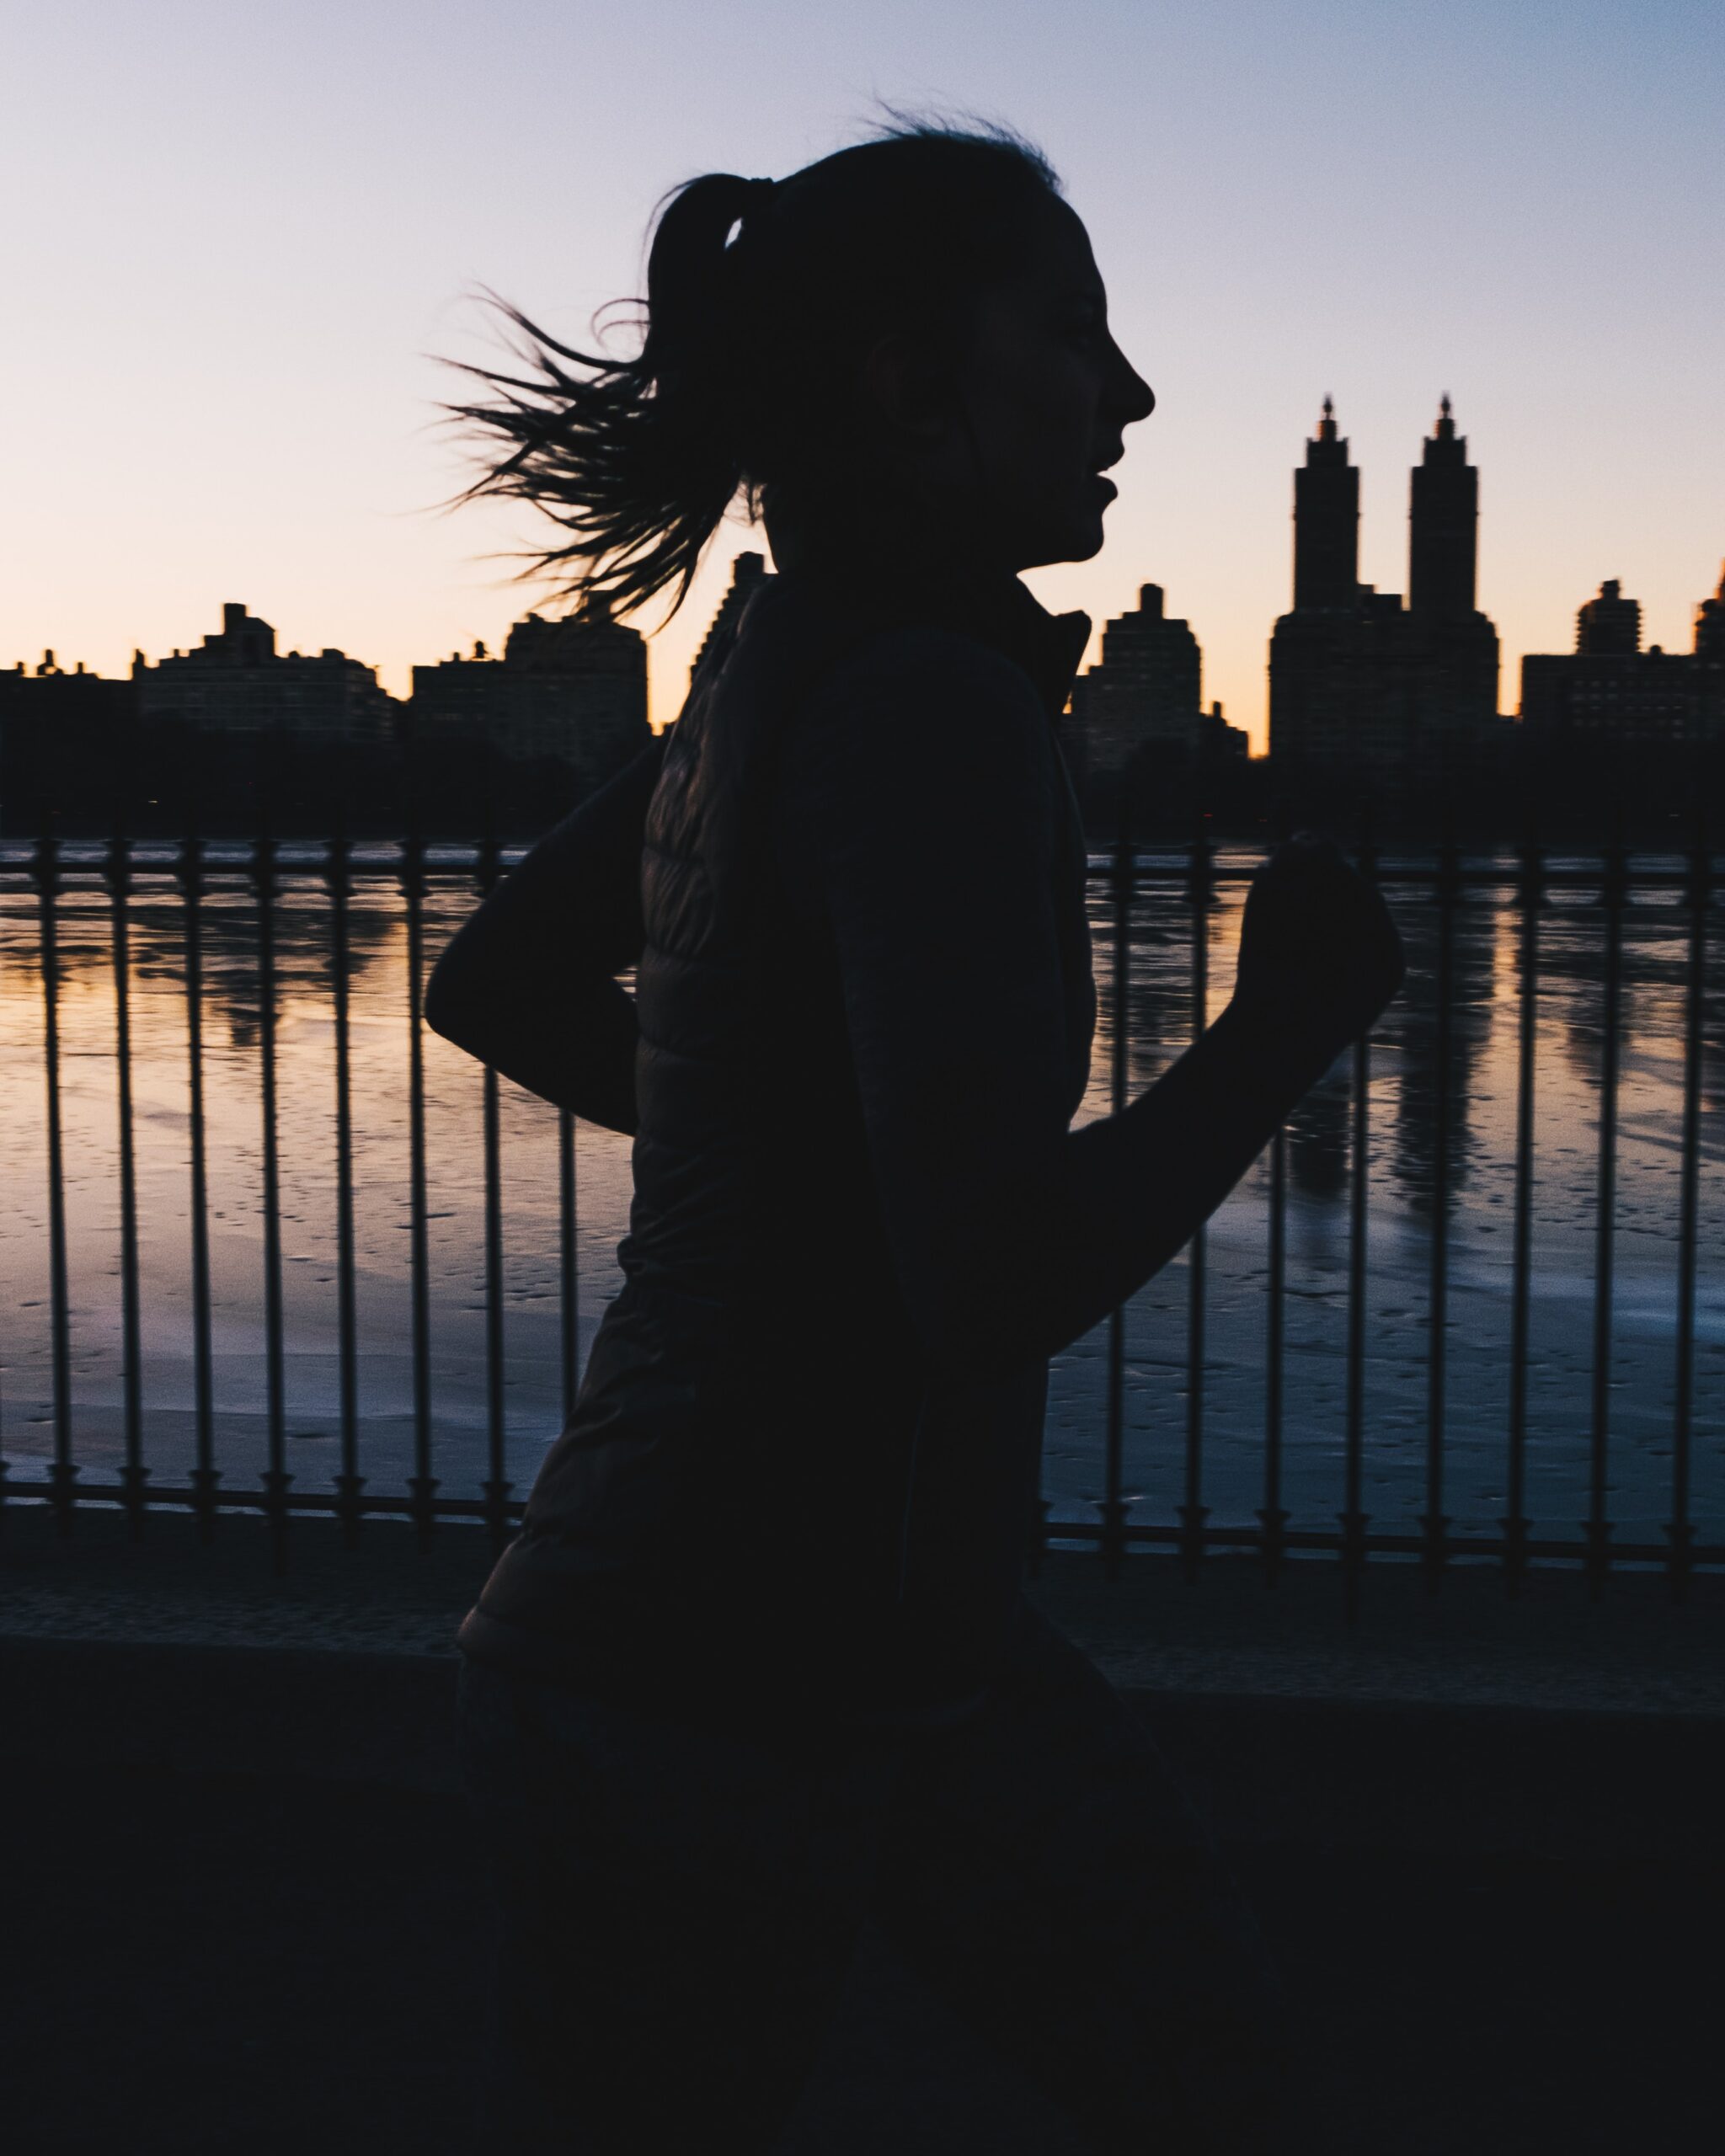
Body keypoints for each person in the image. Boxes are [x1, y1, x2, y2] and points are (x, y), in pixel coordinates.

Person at [430, 120, 1404, 2155]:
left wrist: (787, 1152)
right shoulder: (936, 711)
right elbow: (996, 1281)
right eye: (1070, 330)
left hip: (704, 1640)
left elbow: (495, 987)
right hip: (764, 1676)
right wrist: (1278, 1032)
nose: (1125, 392)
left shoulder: (768, 676)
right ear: (902, 379)